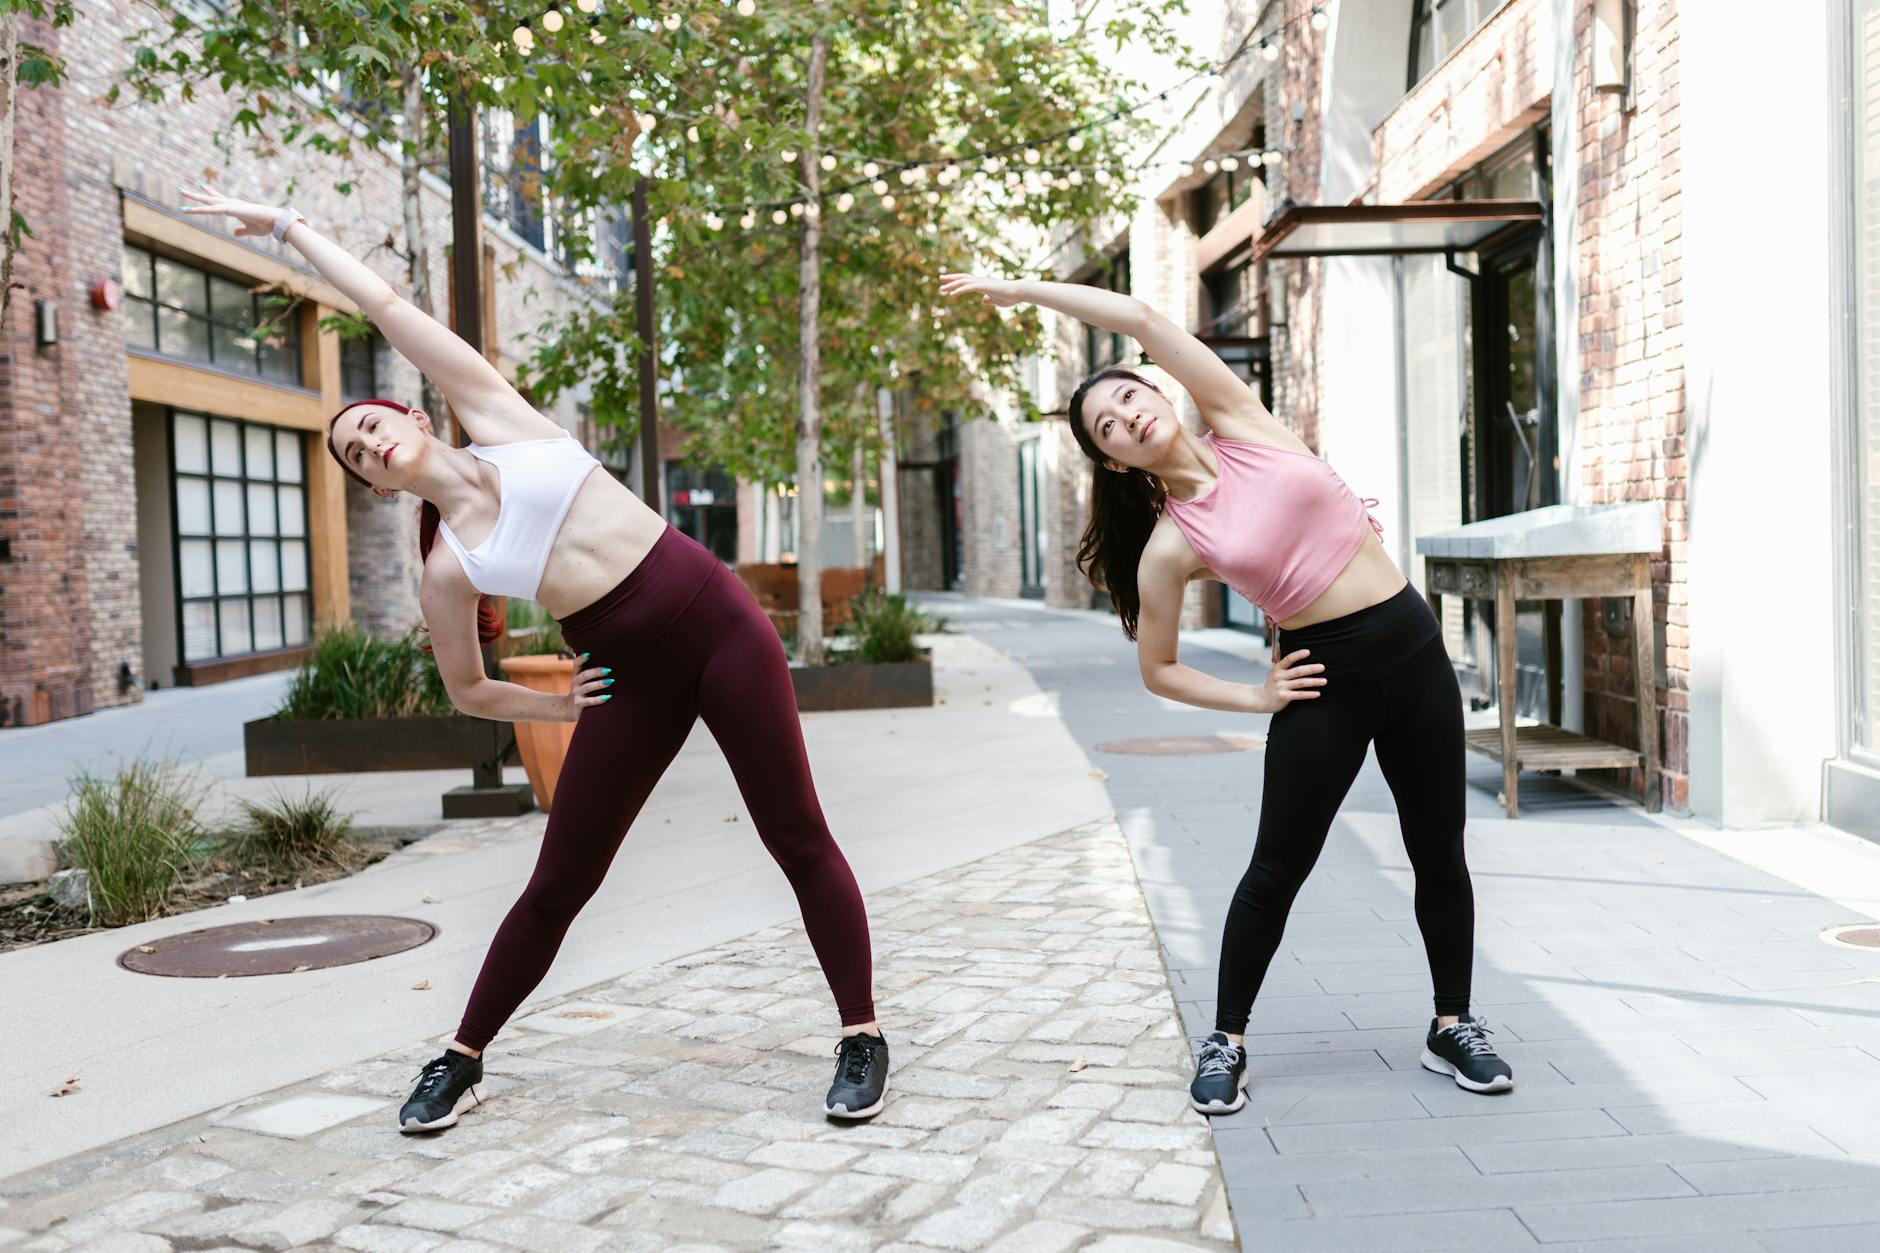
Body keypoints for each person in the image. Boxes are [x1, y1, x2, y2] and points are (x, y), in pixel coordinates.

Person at [179, 185, 891, 1130]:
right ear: (373, 483)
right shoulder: (448, 568)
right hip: (622, 674)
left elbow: (386, 309)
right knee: (562, 879)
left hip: (717, 621)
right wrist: (561, 710)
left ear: (415, 419)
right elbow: (468, 689)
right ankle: (460, 1057)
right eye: (357, 452)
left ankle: (862, 1035)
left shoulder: (496, 416)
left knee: (794, 832)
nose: (372, 443)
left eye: (374, 424)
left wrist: (287, 229)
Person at [939, 272, 1513, 1113]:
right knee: (1276, 867)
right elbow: (1158, 668)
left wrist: (1021, 291)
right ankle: (1227, 1036)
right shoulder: (1171, 545)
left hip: (1418, 653)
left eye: (1130, 394)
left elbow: (1137, 315)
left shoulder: (1242, 418)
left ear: (1156, 390)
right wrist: (1258, 696)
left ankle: (1453, 1021)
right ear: (1112, 457)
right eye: (1109, 425)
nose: (1129, 414)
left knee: (1439, 850)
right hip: (1325, 682)